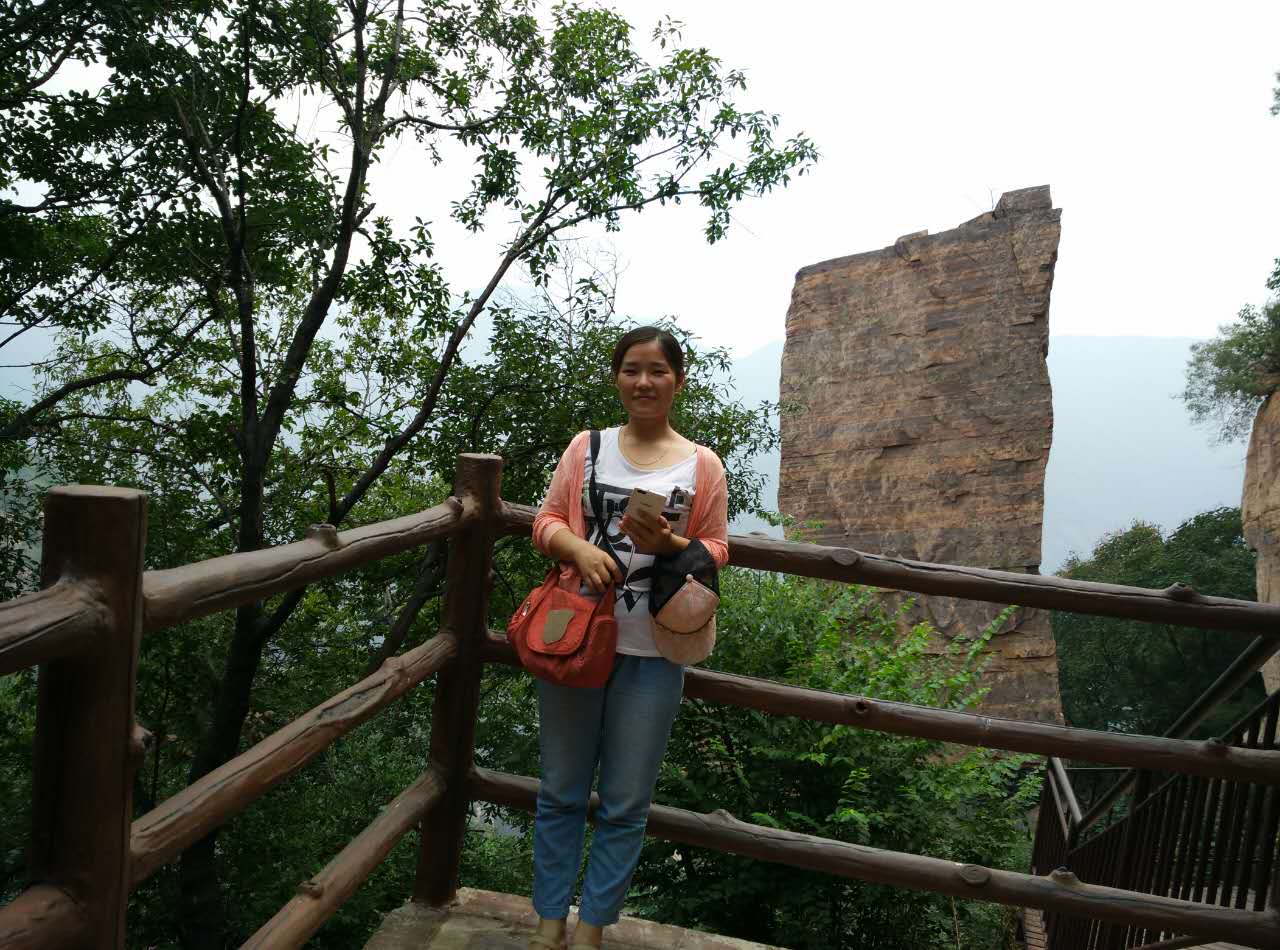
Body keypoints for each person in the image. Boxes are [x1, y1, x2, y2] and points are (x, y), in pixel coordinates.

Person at [527, 326, 730, 950]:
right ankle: (549, 925)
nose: (644, 382)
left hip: (655, 650)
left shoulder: (701, 465)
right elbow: (547, 521)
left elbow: (717, 547)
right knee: (561, 791)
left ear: (678, 381)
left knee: (625, 802)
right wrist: (578, 550)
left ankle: (591, 929)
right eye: (632, 370)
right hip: (576, 639)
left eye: (658, 371)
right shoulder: (587, 448)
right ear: (617, 377)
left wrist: (670, 543)